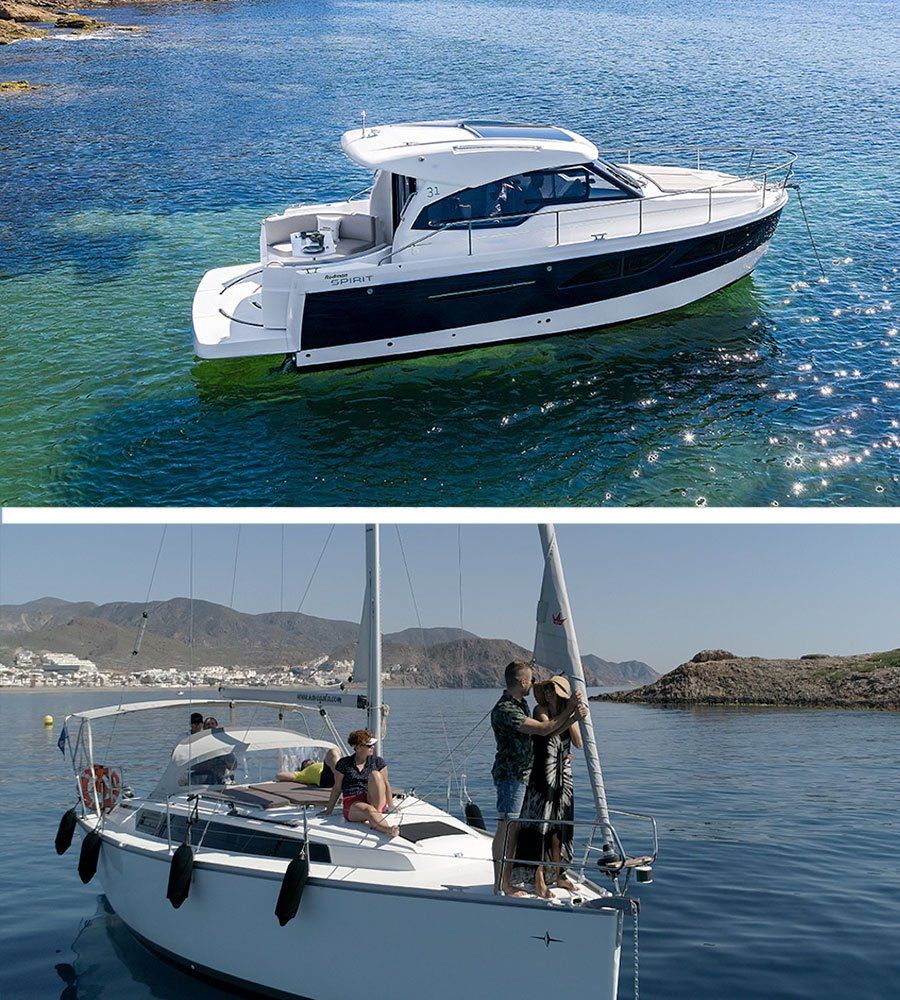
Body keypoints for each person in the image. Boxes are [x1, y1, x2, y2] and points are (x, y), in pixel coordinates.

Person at [490, 660, 587, 896]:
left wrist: (569, 718)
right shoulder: (507, 710)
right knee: (508, 827)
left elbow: (551, 734)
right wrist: (571, 712)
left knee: (515, 827)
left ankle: (508, 880)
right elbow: (543, 730)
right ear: (523, 681)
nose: (535, 685)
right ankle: (502, 884)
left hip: (523, 775)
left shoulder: (519, 705)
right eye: (532, 680)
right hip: (512, 775)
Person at [515, 676, 582, 898]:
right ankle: (538, 878)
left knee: (559, 826)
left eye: (553, 688)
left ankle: (560, 874)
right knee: (540, 826)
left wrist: (573, 716)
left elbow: (578, 742)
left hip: (563, 774)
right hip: (542, 775)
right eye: (547, 688)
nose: (549, 692)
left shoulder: (565, 712)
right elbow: (547, 731)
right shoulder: (539, 710)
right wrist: (570, 713)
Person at [321, 730, 398, 838]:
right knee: (368, 810)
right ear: (357, 747)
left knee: (376, 774)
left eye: (373, 744)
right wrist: (329, 810)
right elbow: (337, 787)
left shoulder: (378, 762)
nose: (373, 747)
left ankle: (378, 813)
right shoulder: (344, 763)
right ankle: (388, 829)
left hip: (372, 798)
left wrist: (391, 806)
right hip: (353, 802)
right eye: (369, 745)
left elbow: (385, 784)